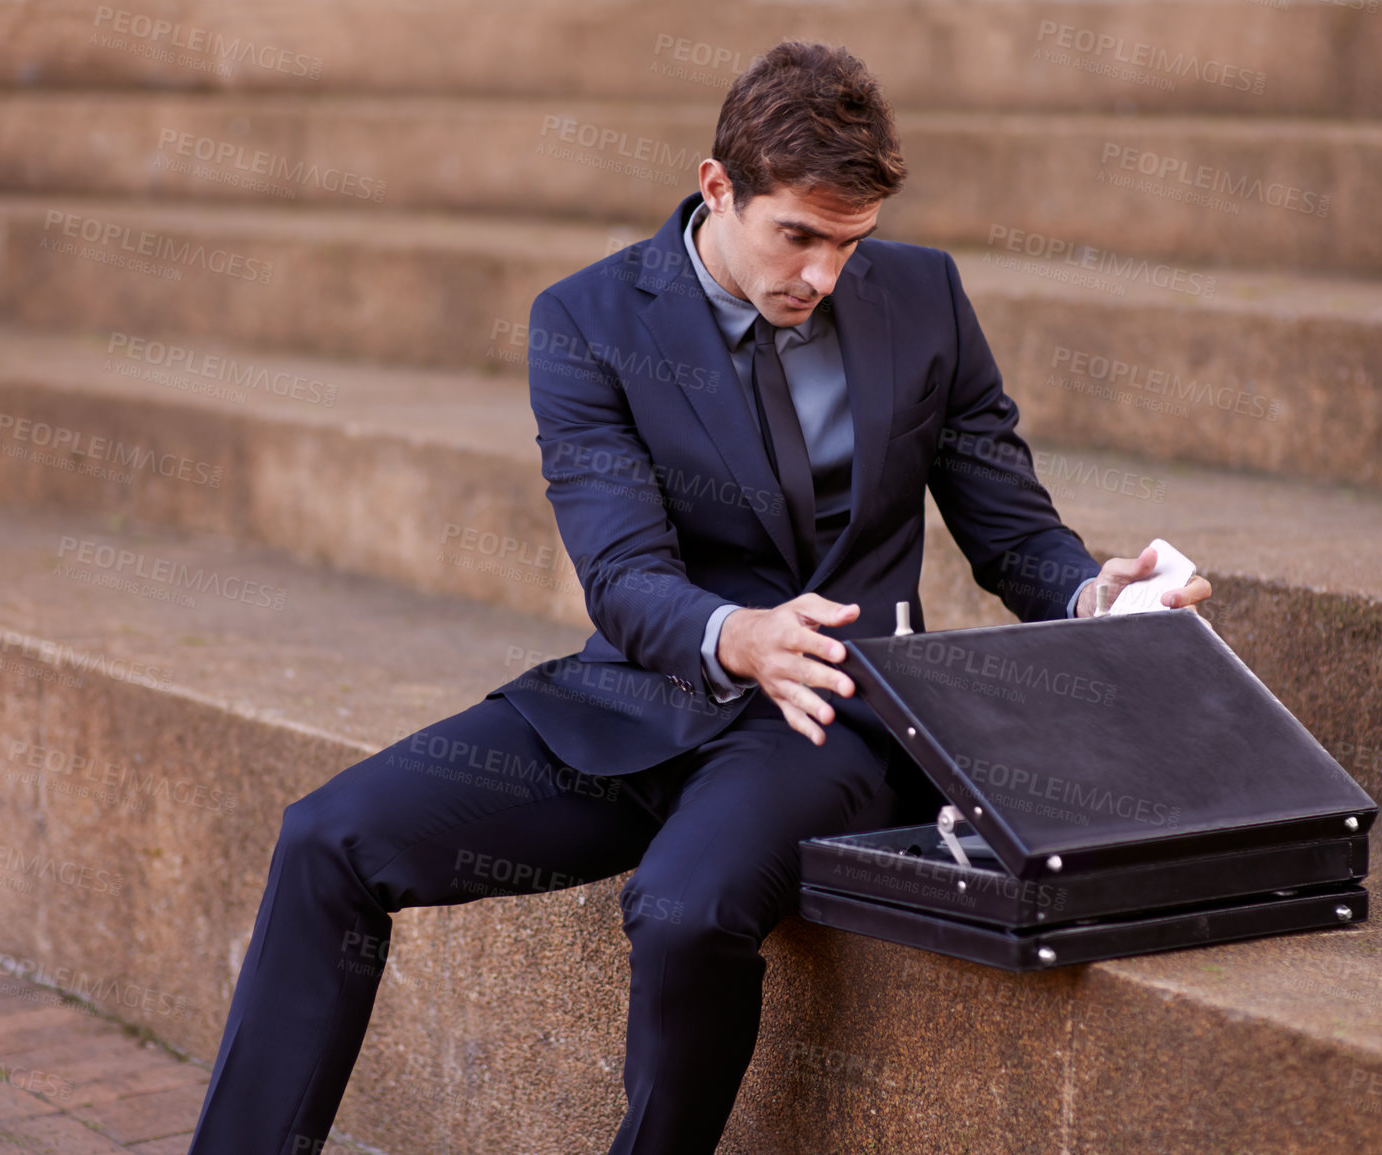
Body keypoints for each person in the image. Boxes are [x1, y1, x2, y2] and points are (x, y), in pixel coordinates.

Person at [186, 38, 1212, 1155]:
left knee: (682, 909)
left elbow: (1011, 528)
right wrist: (738, 635)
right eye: (799, 236)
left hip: (829, 718)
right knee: (325, 838)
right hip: (637, 698)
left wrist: (1091, 596)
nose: (822, 276)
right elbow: (622, 575)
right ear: (718, 186)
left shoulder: (925, 297)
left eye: (848, 244)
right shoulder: (588, 321)